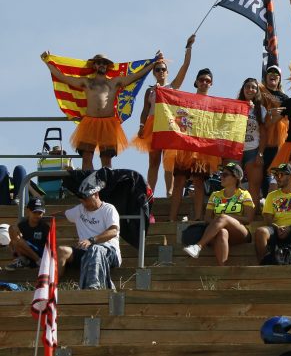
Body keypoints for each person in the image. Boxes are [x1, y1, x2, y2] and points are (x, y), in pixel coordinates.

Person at [42, 50, 163, 170]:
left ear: (107, 66)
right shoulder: (87, 82)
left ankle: (104, 187)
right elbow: (63, 77)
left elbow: (136, 75)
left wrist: (153, 63)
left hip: (108, 123)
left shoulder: (114, 82)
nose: (102, 65)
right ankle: (90, 186)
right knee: (86, 156)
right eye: (99, 62)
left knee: (106, 159)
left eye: (104, 63)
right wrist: (47, 61)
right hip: (89, 123)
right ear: (94, 65)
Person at [132, 34, 195, 196]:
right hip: (152, 125)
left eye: (163, 69)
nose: (160, 72)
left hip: (168, 125)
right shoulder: (150, 90)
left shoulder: (173, 86)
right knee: (153, 161)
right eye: (157, 69)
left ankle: (170, 192)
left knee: (169, 162)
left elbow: (185, 66)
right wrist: (141, 126)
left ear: (167, 72)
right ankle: (149, 193)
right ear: (154, 73)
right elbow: (145, 110)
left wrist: (188, 47)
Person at [168, 68, 221, 222]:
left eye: (208, 80)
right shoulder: (187, 99)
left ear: (211, 84)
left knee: (199, 183)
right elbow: (178, 116)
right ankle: (171, 219)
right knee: (179, 182)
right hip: (185, 147)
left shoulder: (214, 104)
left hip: (202, 149)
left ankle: (198, 218)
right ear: (196, 82)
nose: (204, 82)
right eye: (202, 80)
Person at [182, 162, 255, 265]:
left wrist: (226, 219)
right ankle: (223, 270)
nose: (221, 177)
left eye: (225, 175)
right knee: (222, 232)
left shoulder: (244, 194)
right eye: (221, 174)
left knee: (223, 218)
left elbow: (248, 219)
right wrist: (219, 224)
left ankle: (198, 246)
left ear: (235, 178)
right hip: (218, 231)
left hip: (241, 232)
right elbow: (207, 218)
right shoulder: (215, 195)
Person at [56, 174, 121, 289]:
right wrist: (38, 218)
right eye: (82, 201)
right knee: (62, 251)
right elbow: (61, 216)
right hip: (86, 254)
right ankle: (52, 287)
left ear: (96, 194)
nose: (84, 203)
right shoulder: (80, 209)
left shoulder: (108, 209)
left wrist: (92, 240)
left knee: (95, 249)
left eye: (86, 199)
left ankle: (93, 288)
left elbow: (113, 231)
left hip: (109, 252)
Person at [254, 163, 291, 263]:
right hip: (276, 229)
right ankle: (263, 264)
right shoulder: (271, 196)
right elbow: (267, 218)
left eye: (281, 175)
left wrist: (289, 228)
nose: (277, 178)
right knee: (261, 231)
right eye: (276, 175)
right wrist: (276, 227)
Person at [237, 77, 267, 205]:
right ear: (243, 89)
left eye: (254, 87)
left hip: (253, 150)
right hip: (235, 151)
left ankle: (251, 217)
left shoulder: (261, 110)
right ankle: (235, 214)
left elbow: (264, 134)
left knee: (254, 186)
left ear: (257, 91)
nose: (250, 89)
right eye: (247, 86)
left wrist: (260, 153)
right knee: (233, 184)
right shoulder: (234, 106)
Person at [260, 65, 289, 195]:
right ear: (265, 77)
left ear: (279, 79)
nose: (273, 74)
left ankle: (270, 199)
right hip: (259, 135)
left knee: (271, 169)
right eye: (270, 72)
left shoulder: (284, 97)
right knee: (260, 169)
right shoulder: (259, 91)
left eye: (276, 73)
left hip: (277, 139)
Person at [5, 197, 50, 271]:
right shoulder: (22, 225)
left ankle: (39, 262)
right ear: (28, 211)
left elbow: (49, 246)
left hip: (40, 254)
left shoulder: (44, 227)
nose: (37, 215)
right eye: (34, 212)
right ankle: (22, 260)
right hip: (25, 254)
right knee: (12, 231)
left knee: (18, 241)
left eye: (40, 213)